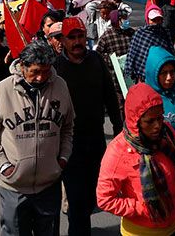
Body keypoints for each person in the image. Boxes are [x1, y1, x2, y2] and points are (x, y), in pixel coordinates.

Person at [0, 42, 75, 236]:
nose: (41, 77)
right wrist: (5, 166)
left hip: (49, 185)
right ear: (22, 66)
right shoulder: (2, 91)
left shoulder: (60, 86)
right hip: (14, 187)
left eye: (46, 71)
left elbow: (68, 127)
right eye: (35, 71)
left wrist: (62, 158)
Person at [97, 83, 175, 235]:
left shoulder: (167, 133)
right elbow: (105, 199)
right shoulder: (117, 151)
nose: (157, 126)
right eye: (150, 121)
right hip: (142, 231)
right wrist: (143, 207)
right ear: (136, 121)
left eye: (160, 118)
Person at [53, 17, 123, 235]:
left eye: (80, 36)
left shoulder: (96, 60)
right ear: (62, 41)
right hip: (68, 145)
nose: (76, 42)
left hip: (96, 142)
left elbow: (110, 96)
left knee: (94, 196)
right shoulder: (56, 69)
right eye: (71, 38)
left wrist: (119, 130)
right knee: (76, 201)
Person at [96, 10, 135, 112]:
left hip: (132, 78)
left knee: (134, 105)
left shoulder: (132, 34)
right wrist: (112, 60)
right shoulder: (106, 37)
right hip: (116, 81)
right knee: (120, 107)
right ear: (117, 21)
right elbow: (98, 54)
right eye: (124, 19)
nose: (127, 21)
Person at [124, 5, 175, 83]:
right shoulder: (140, 34)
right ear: (148, 20)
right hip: (144, 78)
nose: (156, 23)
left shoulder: (165, 33)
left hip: (162, 76)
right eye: (153, 20)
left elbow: (170, 53)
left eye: (158, 19)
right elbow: (132, 54)